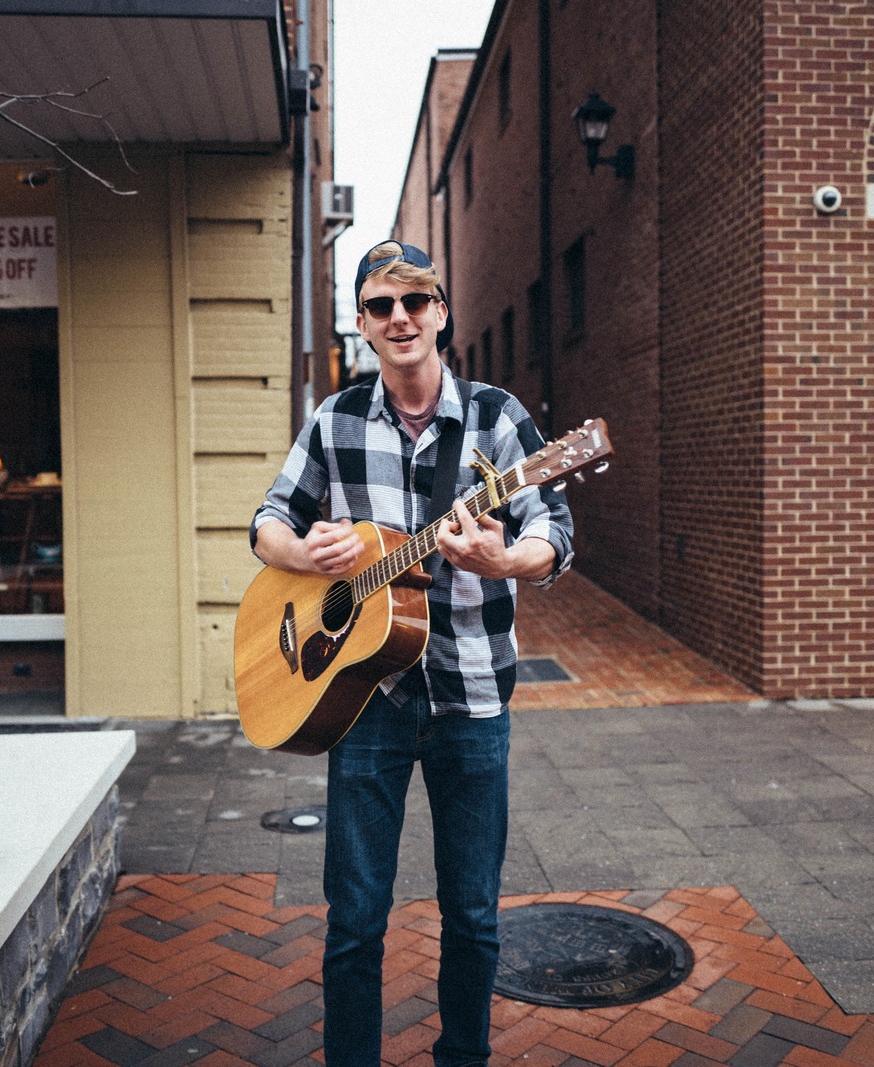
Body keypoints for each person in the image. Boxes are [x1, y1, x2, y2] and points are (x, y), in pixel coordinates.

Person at [250, 240, 574, 1066]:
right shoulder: (335, 420)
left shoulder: (498, 421)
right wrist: (302, 555)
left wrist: (506, 560)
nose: (401, 319)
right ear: (362, 324)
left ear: (442, 314)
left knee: (473, 914)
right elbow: (267, 522)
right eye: (381, 306)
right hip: (364, 701)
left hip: (470, 699)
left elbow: (554, 530)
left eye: (415, 302)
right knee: (355, 917)